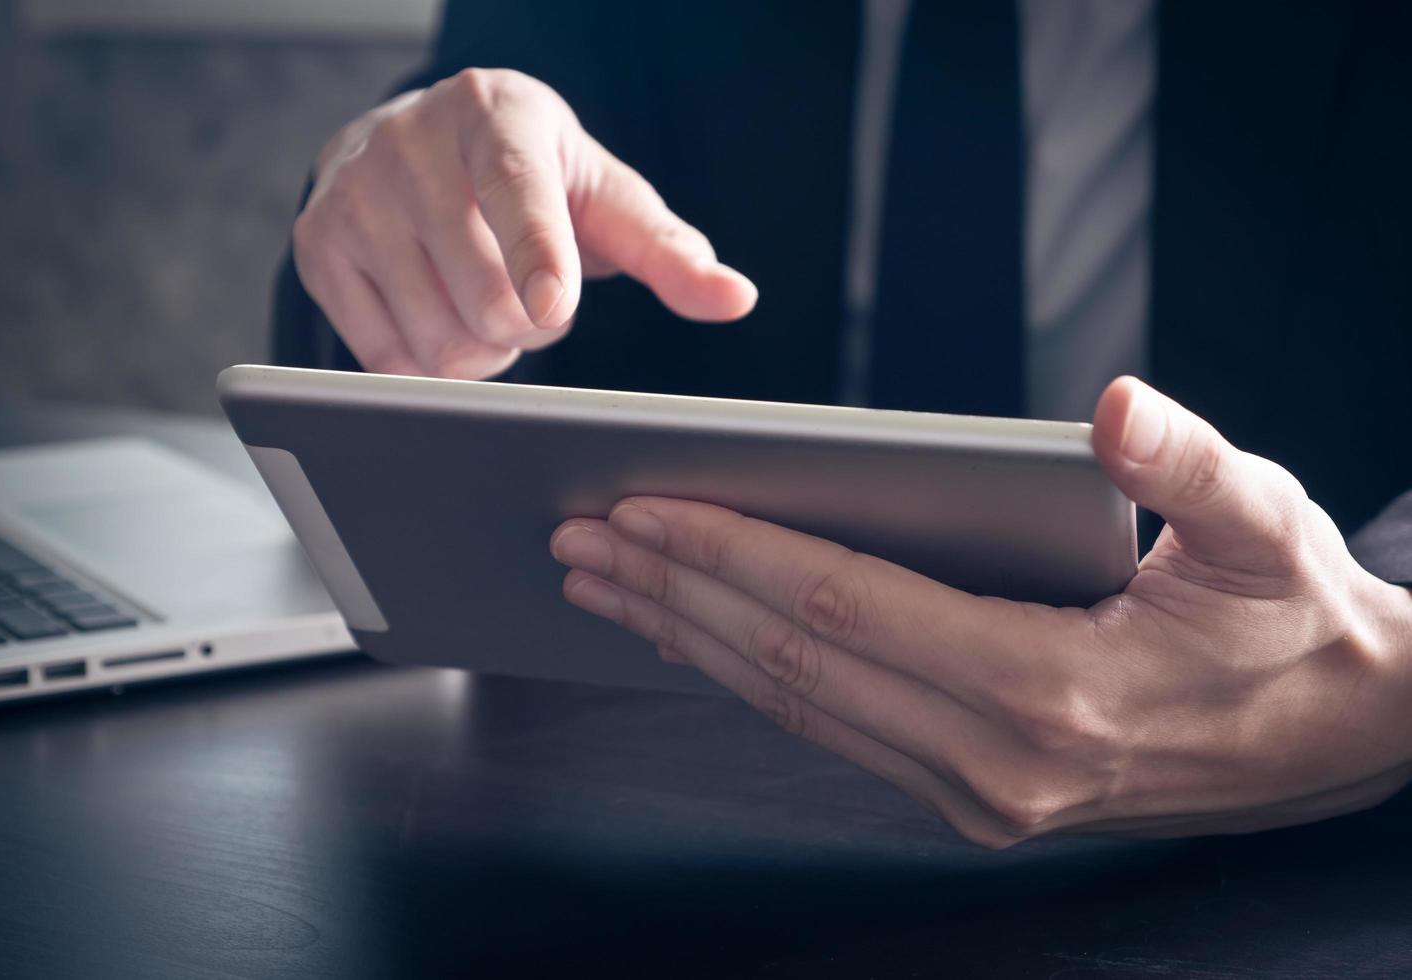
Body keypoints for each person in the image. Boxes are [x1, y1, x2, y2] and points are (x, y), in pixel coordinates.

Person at [272, 1, 1412, 847]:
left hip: (1277, 871)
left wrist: (1386, 688)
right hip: (678, 820)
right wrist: (396, 207)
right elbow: (431, 271)